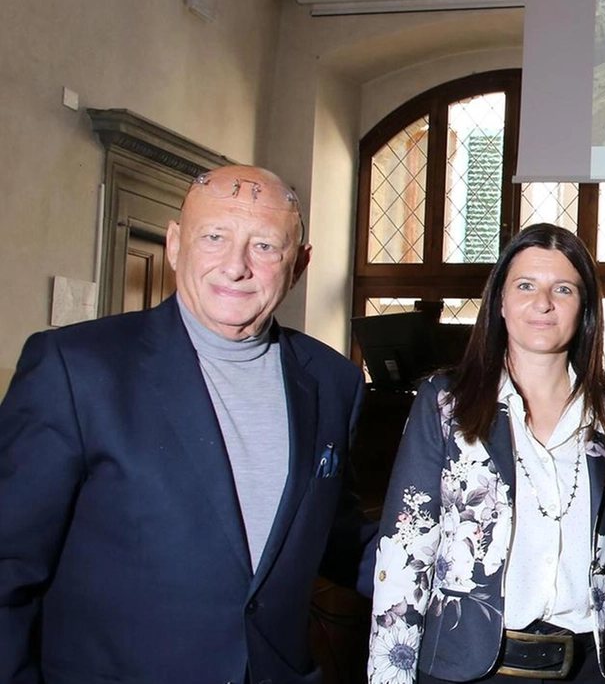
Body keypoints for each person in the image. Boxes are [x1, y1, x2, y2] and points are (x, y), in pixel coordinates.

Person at [0, 164, 371, 684]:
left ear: (300, 265)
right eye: (214, 237)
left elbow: (335, 532)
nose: (236, 266)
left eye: (265, 246)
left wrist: (468, 571)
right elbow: (8, 564)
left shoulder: (333, 381)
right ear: (176, 244)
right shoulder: (75, 368)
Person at [369, 223, 605, 684]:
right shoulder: (444, 403)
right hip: (469, 668)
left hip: (589, 669)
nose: (543, 303)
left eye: (564, 289)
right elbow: (403, 555)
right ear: (500, 301)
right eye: (526, 285)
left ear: (585, 307)